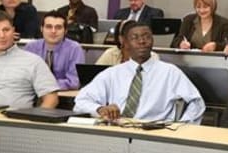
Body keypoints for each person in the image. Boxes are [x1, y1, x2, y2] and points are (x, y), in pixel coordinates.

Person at [74, 22, 204, 123]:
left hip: (155, 132)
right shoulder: (112, 74)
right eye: (135, 38)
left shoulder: (170, 72)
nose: (142, 41)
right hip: (118, 129)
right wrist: (100, 109)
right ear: (125, 43)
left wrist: (181, 126)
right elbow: (81, 101)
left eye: (146, 37)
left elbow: (197, 102)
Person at [0, 9, 59, 108]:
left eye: (6, 30)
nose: (2, 35)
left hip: (13, 121)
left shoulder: (33, 61)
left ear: (13, 31)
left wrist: (35, 121)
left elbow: (51, 99)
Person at [24, 11, 85, 90]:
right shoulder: (31, 47)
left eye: (58, 27)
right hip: (33, 94)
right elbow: (24, 77)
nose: (53, 31)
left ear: (65, 31)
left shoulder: (75, 49)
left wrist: (44, 84)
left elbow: (74, 82)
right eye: (49, 27)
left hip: (63, 96)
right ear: (41, 29)